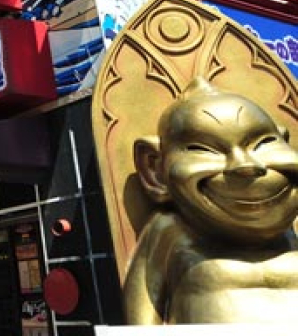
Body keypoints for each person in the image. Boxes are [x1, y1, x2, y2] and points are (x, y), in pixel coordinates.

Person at [123, 78, 298, 324]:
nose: (247, 166)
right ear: (155, 170)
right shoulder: (170, 230)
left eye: (264, 143)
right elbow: (141, 315)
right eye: (203, 149)